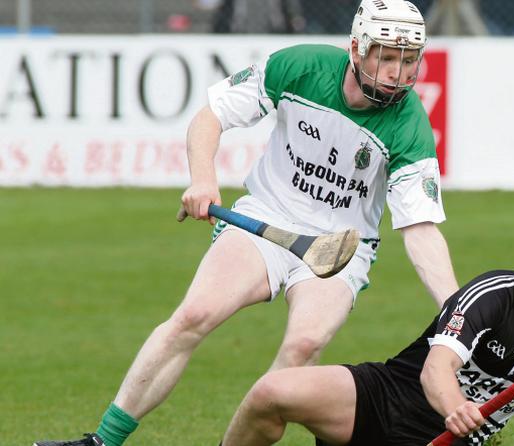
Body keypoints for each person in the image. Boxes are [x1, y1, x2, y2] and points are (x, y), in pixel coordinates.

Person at [34, 1, 458, 445]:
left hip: (337, 249)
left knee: (303, 347)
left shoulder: (410, 125)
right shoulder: (301, 66)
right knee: (193, 315)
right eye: (387, 57)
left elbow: (420, 229)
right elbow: (211, 116)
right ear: (357, 47)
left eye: (409, 60)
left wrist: (457, 311)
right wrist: (203, 180)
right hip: (265, 219)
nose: (398, 71)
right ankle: (103, 441)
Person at [220, 218, 514, 445]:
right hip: (387, 398)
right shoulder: (495, 294)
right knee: (271, 393)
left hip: (450, 442)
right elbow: (436, 369)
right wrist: (456, 407)